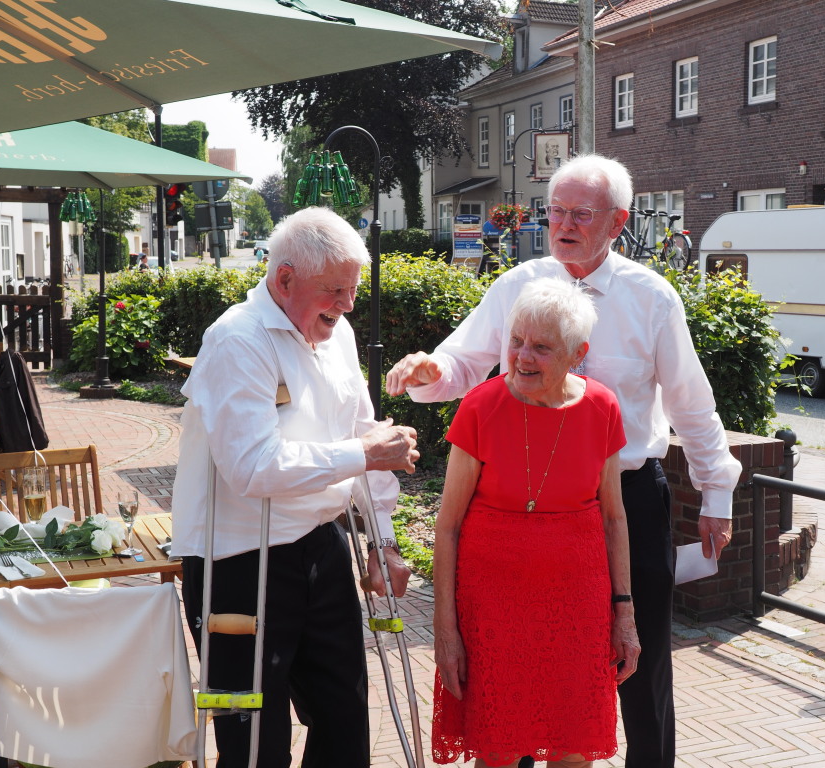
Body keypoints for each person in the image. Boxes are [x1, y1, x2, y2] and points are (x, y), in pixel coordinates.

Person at [386, 154, 742, 768]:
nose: (564, 224)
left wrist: (716, 492)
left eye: (581, 213)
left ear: (618, 221)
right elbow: (463, 362)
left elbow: (692, 402)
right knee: (528, 663)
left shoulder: (651, 298)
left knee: (642, 661)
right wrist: (429, 369)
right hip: (528, 506)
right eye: (556, 211)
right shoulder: (516, 286)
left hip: (625, 500)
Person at [171, 206, 420, 768]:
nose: (348, 304)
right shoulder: (237, 339)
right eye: (335, 289)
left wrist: (382, 541)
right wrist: (362, 453)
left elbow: (365, 432)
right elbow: (253, 467)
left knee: (344, 720)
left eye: (353, 289)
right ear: (285, 279)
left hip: (320, 545)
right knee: (253, 742)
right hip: (238, 563)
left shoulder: (338, 333)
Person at [431, 278, 639, 768]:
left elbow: (614, 518)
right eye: (516, 340)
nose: (522, 357)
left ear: (577, 353)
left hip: (577, 607)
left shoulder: (602, 407)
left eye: (541, 347)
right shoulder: (481, 406)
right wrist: (445, 629)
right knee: (498, 749)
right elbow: (448, 526)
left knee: (574, 746)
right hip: (492, 608)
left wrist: (624, 614)